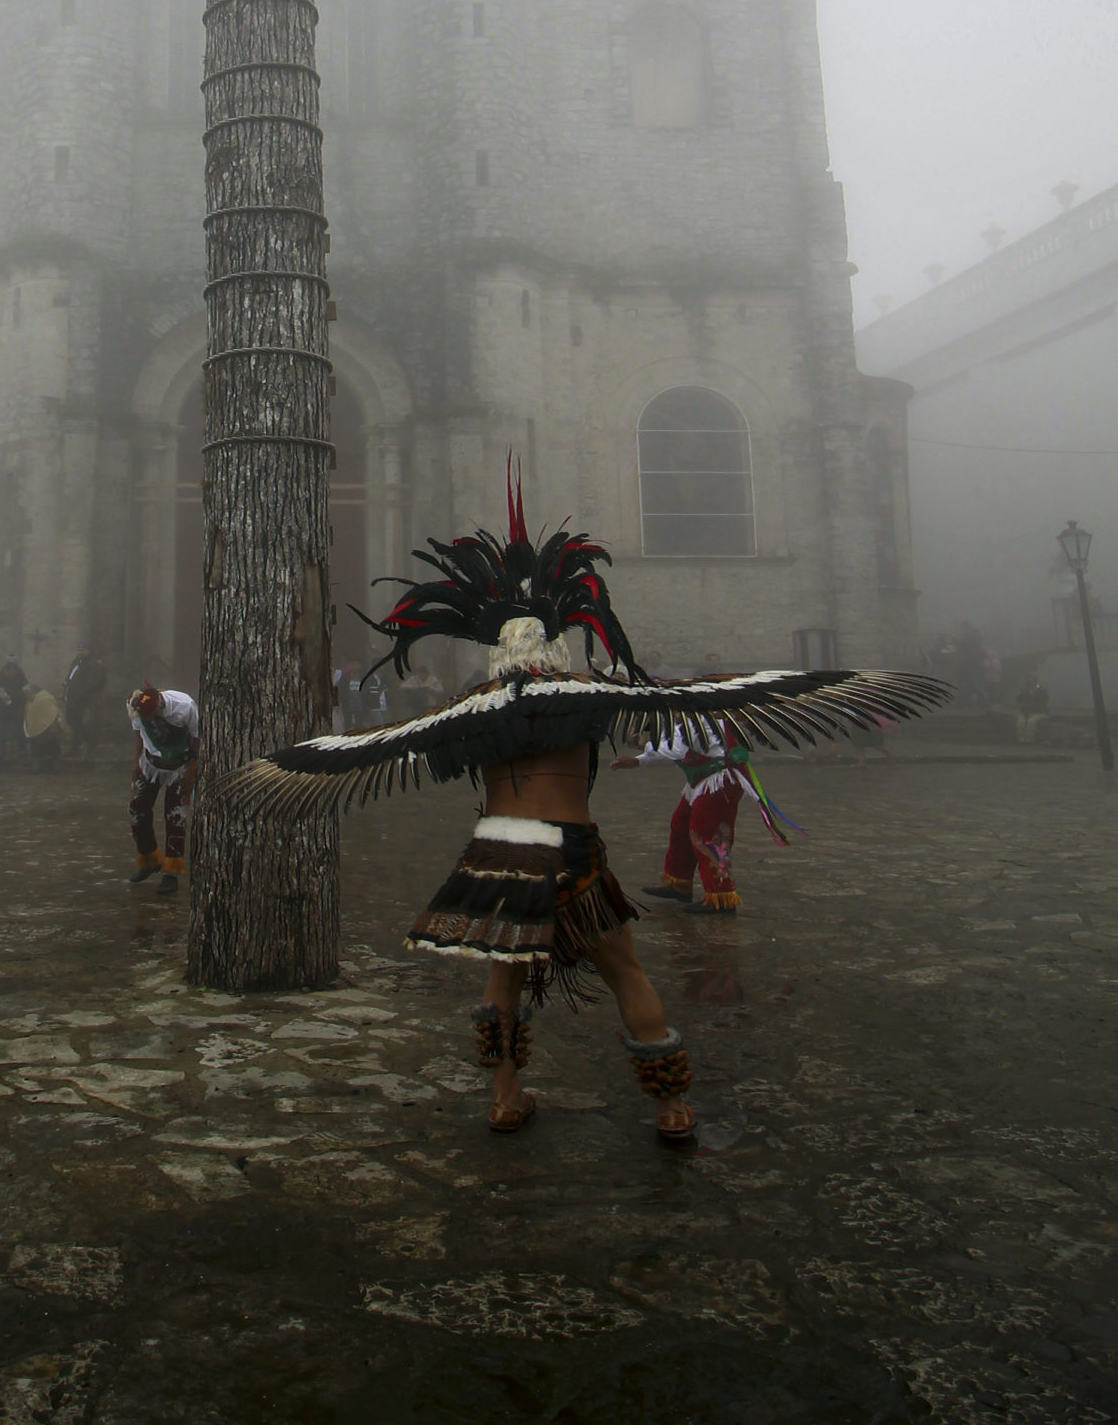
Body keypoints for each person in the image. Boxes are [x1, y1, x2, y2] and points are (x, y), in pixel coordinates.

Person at [219, 467, 948, 1141]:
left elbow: (349, 752)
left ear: (495, 650)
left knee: (501, 974)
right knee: (624, 970)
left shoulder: (462, 712)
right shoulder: (594, 696)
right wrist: (840, 686)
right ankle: (669, 1103)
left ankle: (505, 1096)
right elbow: (729, 693)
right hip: (570, 856)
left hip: (494, 855)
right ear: (553, 645)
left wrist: (261, 774)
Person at [613, 718, 798, 913]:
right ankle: (678, 883)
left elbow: (676, 748)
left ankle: (721, 897)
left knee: (706, 836)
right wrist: (638, 760)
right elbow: (673, 744)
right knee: (681, 825)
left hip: (719, 782)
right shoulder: (685, 716)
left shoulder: (702, 716)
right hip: (702, 780)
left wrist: (642, 745)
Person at [127, 682, 199, 897]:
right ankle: (149, 858)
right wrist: (136, 761)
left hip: (180, 765)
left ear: (160, 705)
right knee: (136, 809)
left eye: (152, 716)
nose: (149, 720)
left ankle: (171, 871)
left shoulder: (185, 706)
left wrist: (191, 771)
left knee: (175, 815)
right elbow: (139, 732)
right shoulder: (134, 704)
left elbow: (197, 737)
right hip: (150, 763)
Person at [63, 648, 108, 763]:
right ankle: (76, 746)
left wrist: (82, 693)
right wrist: (67, 684)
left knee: (76, 721)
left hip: (83, 699)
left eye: (84, 649)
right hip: (72, 697)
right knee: (72, 720)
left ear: (89, 651)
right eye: (79, 649)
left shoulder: (94, 665)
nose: (80, 652)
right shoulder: (77, 662)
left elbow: (93, 682)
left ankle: (89, 741)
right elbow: (71, 676)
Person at [0, 655, 28, 768]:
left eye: (13, 669)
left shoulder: (22, 678)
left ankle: (22, 752)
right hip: (3, 710)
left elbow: (25, 693)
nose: (10, 671)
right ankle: (1, 753)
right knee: (2, 733)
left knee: (19, 733)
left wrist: (14, 699)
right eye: (8, 669)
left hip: (16, 710)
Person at [1015, 675, 1050, 746]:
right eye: (1029, 682)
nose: (1031, 684)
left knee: (1031, 721)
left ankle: (1029, 740)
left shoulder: (1041, 691)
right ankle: (1021, 739)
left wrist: (1034, 711)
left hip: (1040, 712)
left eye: (1032, 682)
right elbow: (1019, 699)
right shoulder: (1025, 691)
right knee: (1020, 721)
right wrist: (1023, 691)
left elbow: (1044, 702)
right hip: (1026, 712)